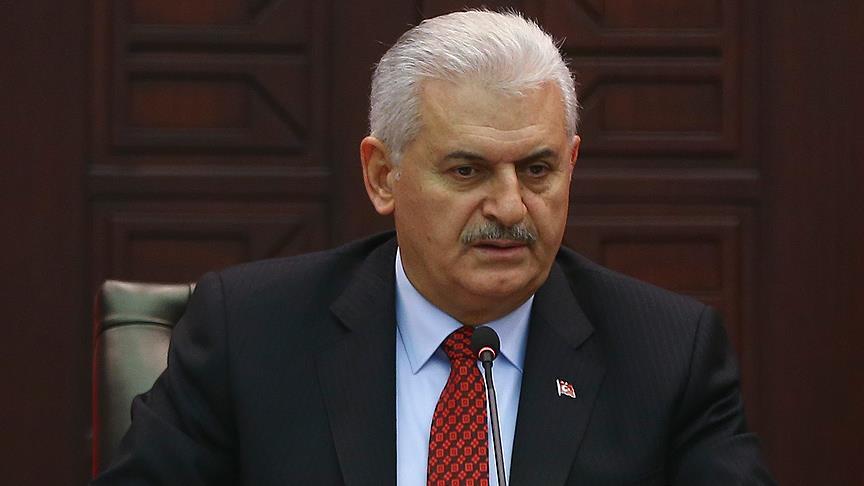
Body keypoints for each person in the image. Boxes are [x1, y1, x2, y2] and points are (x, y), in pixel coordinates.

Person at [93, 9, 775, 486]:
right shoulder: (249, 331)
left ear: (571, 164)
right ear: (382, 176)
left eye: (537, 170)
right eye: (467, 170)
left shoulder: (667, 353)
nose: (510, 207)